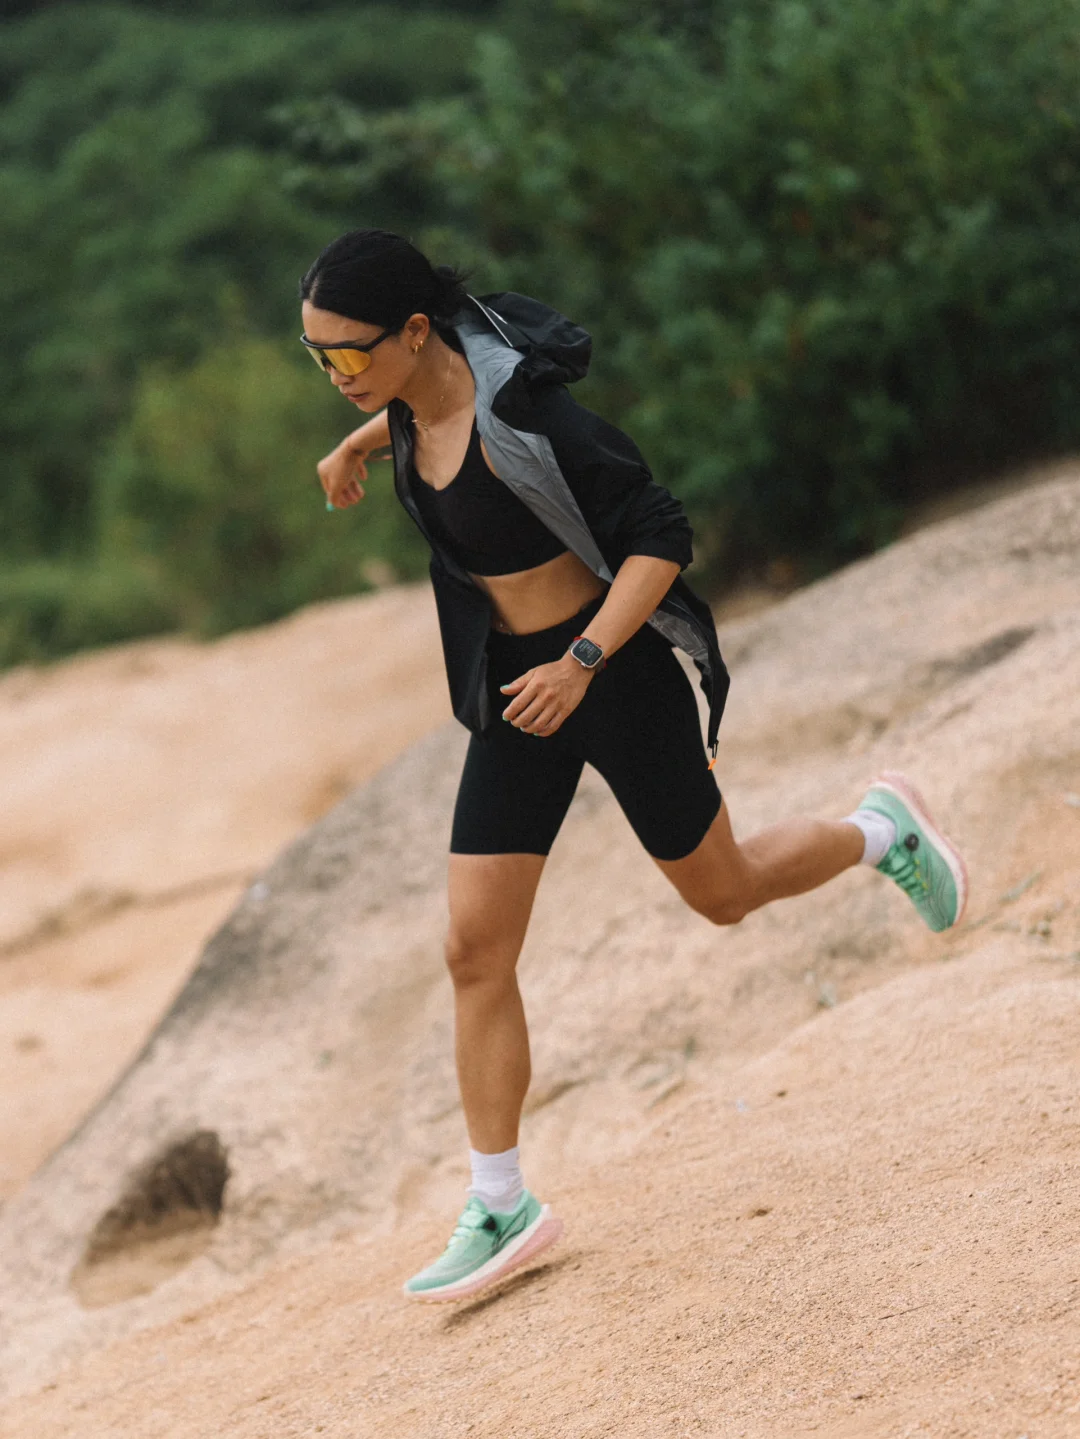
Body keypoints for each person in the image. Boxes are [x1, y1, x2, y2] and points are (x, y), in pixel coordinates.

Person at [300, 229, 968, 1304]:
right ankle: (502, 1198)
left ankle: (883, 827)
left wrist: (582, 659)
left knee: (726, 890)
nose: (331, 377)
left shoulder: (532, 419)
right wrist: (361, 444)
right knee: (474, 947)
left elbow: (661, 533)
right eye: (314, 359)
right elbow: (419, 410)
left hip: (609, 673)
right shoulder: (414, 399)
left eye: (343, 357)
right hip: (517, 692)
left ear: (414, 331)